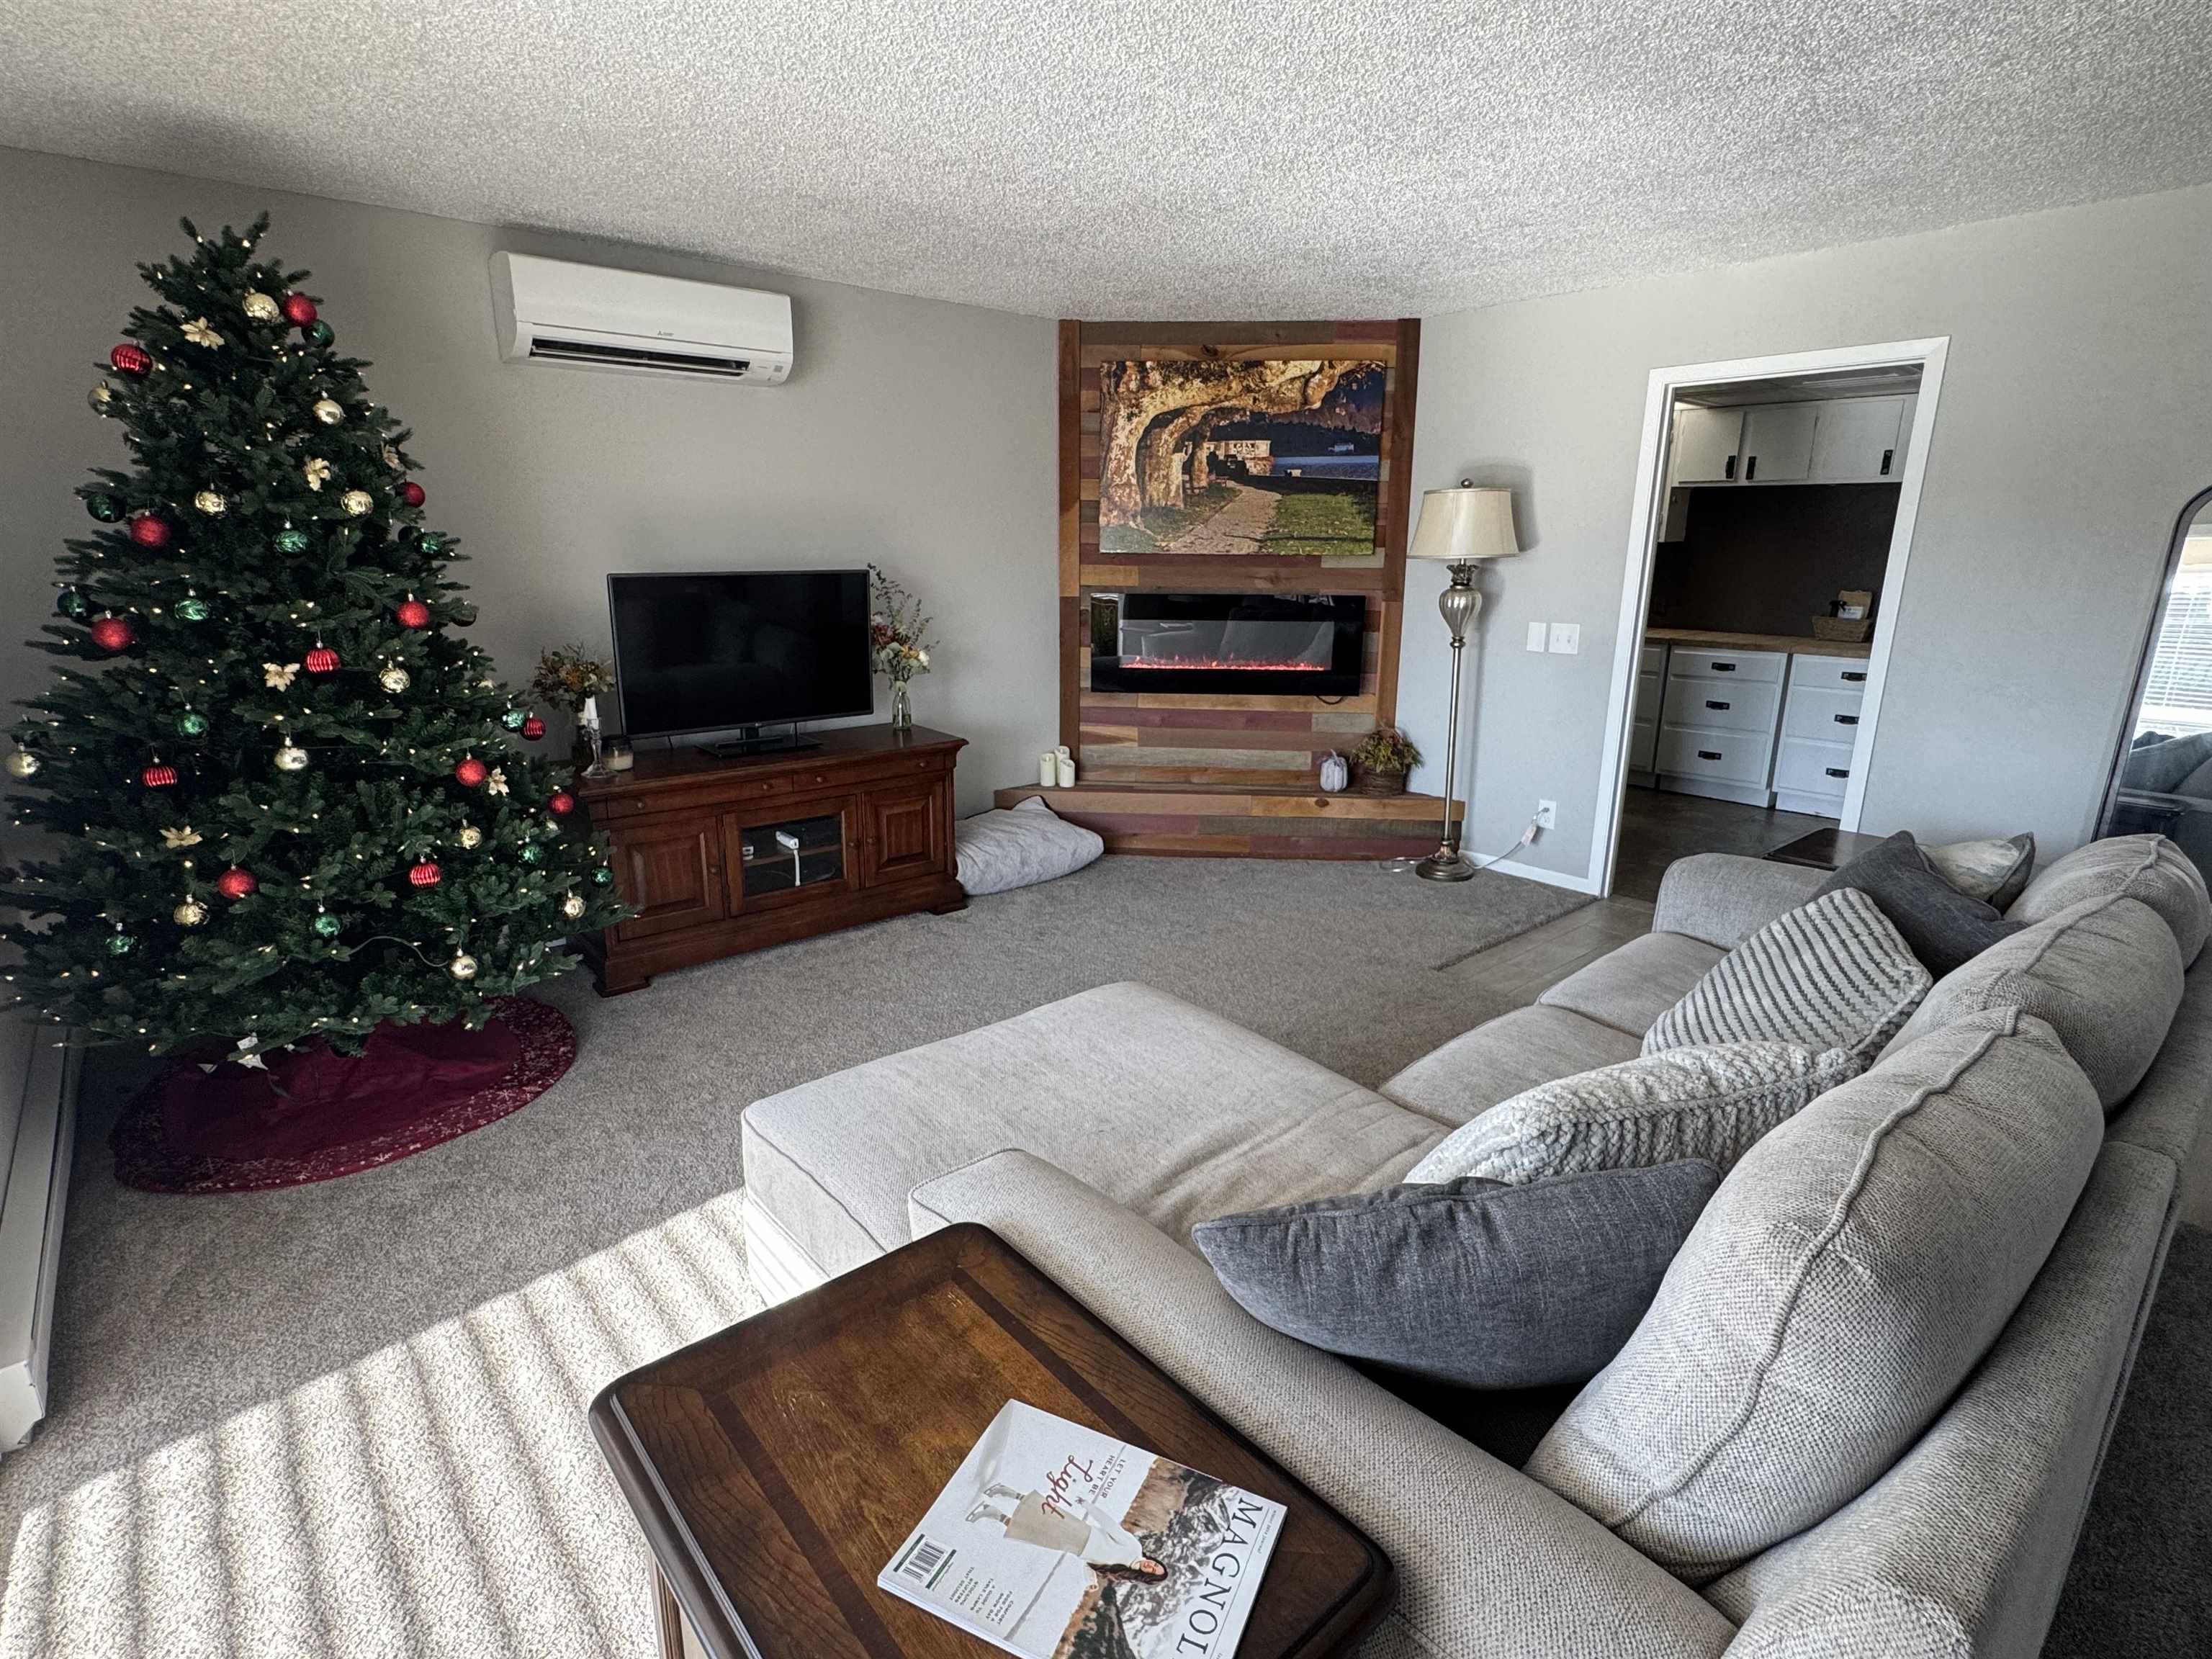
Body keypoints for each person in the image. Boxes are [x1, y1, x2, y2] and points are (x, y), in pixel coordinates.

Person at [964, 1483, 1168, 1582]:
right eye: (1155, 1565)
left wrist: (1091, 1582)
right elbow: (1110, 1525)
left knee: (1035, 1533)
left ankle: (995, 1514)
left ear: (1146, 1575)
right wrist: (1089, 1506)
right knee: (1046, 1515)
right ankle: (1009, 1492)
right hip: (1082, 1533)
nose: (1151, 1566)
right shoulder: (1134, 1548)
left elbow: (1094, 1565)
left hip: (1075, 1548)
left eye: (1152, 1571)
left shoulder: (1125, 1573)